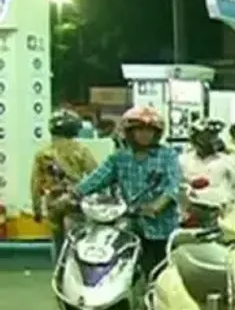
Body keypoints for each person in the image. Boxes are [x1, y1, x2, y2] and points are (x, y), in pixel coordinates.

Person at [76, 105, 182, 281]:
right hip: (128, 221)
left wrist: (156, 206)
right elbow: (97, 178)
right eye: (139, 130)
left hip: (161, 226)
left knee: (159, 273)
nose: (144, 134)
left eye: (149, 130)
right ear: (129, 132)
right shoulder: (119, 158)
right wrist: (75, 193)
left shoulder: (167, 156)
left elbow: (174, 185)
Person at [31, 110, 99, 262]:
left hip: (53, 201)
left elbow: (35, 183)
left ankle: (58, 269)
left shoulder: (43, 153)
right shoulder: (81, 150)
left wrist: (36, 208)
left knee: (57, 242)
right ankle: (74, 269)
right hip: (74, 200)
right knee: (75, 239)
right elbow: (95, 175)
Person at [179, 119, 235, 208]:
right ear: (195, 139)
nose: (213, 139)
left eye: (214, 135)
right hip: (191, 210)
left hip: (221, 210)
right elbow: (177, 187)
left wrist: (232, 207)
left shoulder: (227, 160)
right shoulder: (183, 161)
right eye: (207, 136)